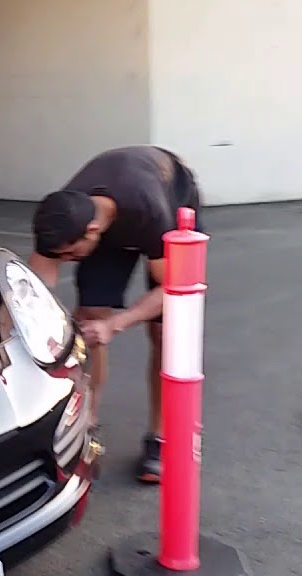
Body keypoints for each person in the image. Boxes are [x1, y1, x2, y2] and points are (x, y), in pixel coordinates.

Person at [27, 145, 202, 483]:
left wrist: (116, 324)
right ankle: (87, 420)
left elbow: (174, 289)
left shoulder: (150, 211)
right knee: (88, 317)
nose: (66, 260)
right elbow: (36, 284)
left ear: (91, 232)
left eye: (70, 255)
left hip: (171, 195)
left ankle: (161, 437)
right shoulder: (63, 216)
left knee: (166, 330)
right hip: (110, 220)